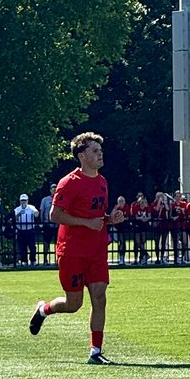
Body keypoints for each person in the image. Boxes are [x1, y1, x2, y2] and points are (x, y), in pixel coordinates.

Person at [28, 132, 128, 365]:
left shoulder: (102, 181)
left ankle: (96, 351)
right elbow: (55, 215)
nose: (100, 154)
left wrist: (110, 219)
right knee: (73, 304)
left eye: (100, 150)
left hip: (96, 250)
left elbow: (97, 216)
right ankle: (43, 309)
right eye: (95, 151)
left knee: (100, 297)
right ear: (82, 155)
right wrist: (86, 223)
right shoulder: (69, 182)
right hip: (72, 250)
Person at [13, 193, 39, 266]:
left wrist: (36, 213)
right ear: (20, 201)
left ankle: (33, 260)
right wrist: (19, 214)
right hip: (20, 230)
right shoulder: (17, 209)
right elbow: (15, 219)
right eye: (22, 200)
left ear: (27, 200)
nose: (23, 202)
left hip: (30, 230)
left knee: (32, 246)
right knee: (22, 247)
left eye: (24, 200)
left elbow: (36, 213)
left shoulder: (31, 207)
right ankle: (24, 261)